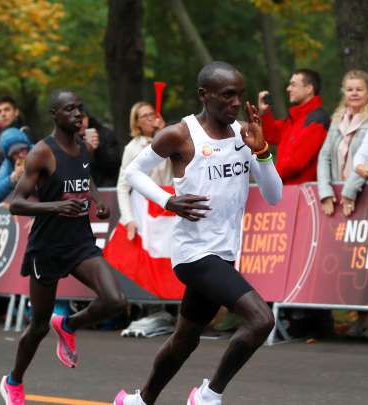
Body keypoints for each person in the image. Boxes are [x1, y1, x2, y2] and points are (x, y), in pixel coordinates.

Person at [115, 61, 282, 405]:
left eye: (239, 95)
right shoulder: (180, 134)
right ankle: (208, 395)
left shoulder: (242, 134)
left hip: (224, 252)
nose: (236, 103)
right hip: (193, 254)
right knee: (262, 319)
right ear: (204, 96)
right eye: (227, 95)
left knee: (184, 339)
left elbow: (273, 195)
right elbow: (133, 172)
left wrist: (262, 151)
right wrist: (168, 201)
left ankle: (140, 400)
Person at [0, 89, 128, 404]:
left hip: (81, 242)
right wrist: (55, 207)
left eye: (80, 108)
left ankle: (68, 324)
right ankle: (13, 381)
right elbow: (14, 203)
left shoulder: (83, 147)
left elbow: (85, 179)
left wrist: (97, 201)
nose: (77, 114)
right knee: (39, 326)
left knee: (115, 300)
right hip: (47, 247)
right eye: (69, 109)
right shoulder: (41, 152)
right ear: (54, 114)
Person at [316, 70, 368, 338]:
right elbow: (325, 156)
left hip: (367, 192)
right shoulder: (337, 119)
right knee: (349, 259)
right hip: (338, 193)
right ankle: (359, 316)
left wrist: (351, 191)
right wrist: (325, 191)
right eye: (349, 89)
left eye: (359, 89)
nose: (354, 93)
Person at [258, 68, 330, 184]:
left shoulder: (317, 120)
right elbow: (271, 135)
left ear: (309, 89)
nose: (288, 89)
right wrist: (265, 113)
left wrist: (270, 178)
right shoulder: (295, 119)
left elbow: (294, 163)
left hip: (304, 195)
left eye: (293, 85)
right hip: (290, 191)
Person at [117, 101, 170, 240]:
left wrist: (163, 134)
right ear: (137, 123)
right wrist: (128, 219)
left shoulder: (171, 140)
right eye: (144, 116)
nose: (150, 118)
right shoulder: (132, 148)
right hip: (143, 211)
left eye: (152, 114)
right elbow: (123, 187)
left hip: (169, 207)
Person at [77, 104, 121, 187]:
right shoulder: (68, 139)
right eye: (76, 118)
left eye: (82, 117)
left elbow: (115, 166)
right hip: (80, 189)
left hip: (104, 189)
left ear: (88, 117)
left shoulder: (105, 134)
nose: (80, 122)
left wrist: (98, 148)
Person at [0, 127, 32, 204]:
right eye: (15, 153)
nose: (21, 155)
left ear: (27, 146)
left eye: (22, 149)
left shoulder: (39, 152)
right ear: (9, 157)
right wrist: (13, 178)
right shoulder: (8, 165)